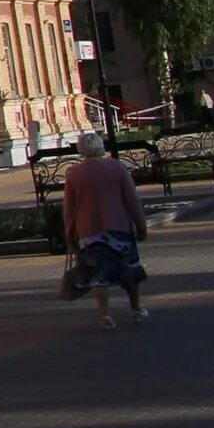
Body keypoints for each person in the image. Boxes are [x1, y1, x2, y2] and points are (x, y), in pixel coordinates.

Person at [62, 132, 151, 329]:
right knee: (129, 269)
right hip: (118, 228)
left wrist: (70, 233)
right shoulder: (117, 168)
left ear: (81, 150)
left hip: (89, 231)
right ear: (101, 147)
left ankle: (105, 315)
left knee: (97, 276)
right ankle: (135, 308)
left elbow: (69, 208)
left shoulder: (74, 174)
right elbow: (131, 200)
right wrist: (141, 225)